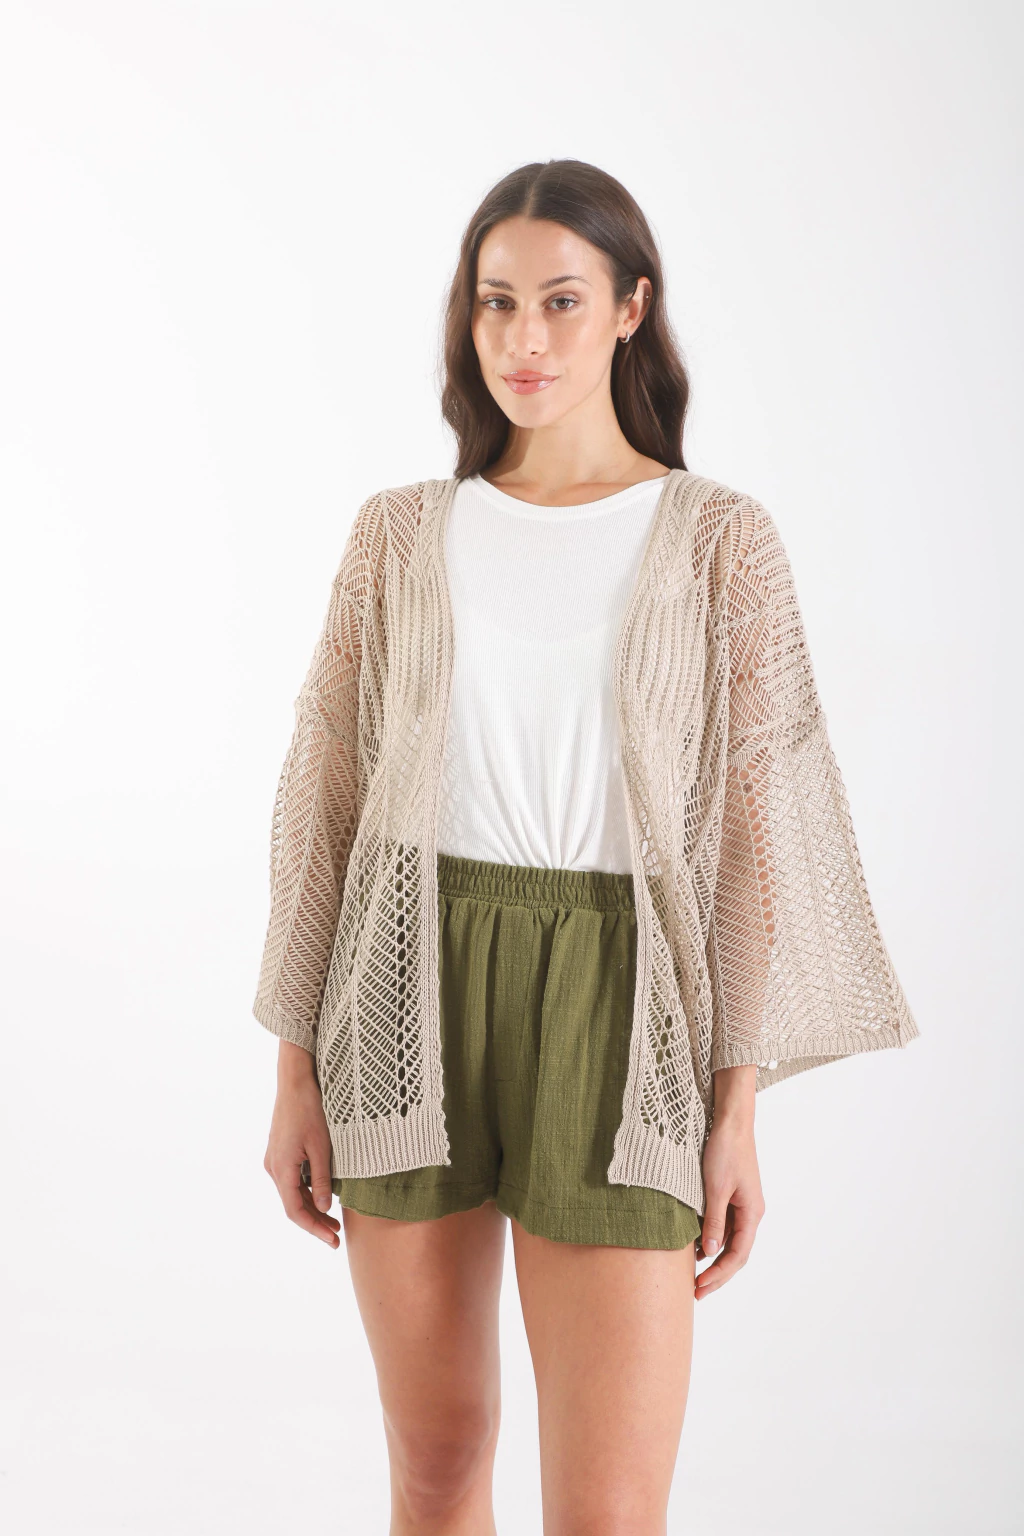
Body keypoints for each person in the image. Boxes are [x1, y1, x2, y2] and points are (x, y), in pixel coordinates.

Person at [254, 158, 920, 1534]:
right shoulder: (400, 535)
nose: (525, 338)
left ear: (632, 308)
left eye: (562, 300)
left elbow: (762, 844)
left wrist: (735, 1112)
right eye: (496, 301)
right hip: (407, 980)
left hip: (626, 1009)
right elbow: (322, 805)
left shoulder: (720, 541)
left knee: (608, 1513)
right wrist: (296, 1072)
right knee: (436, 1466)